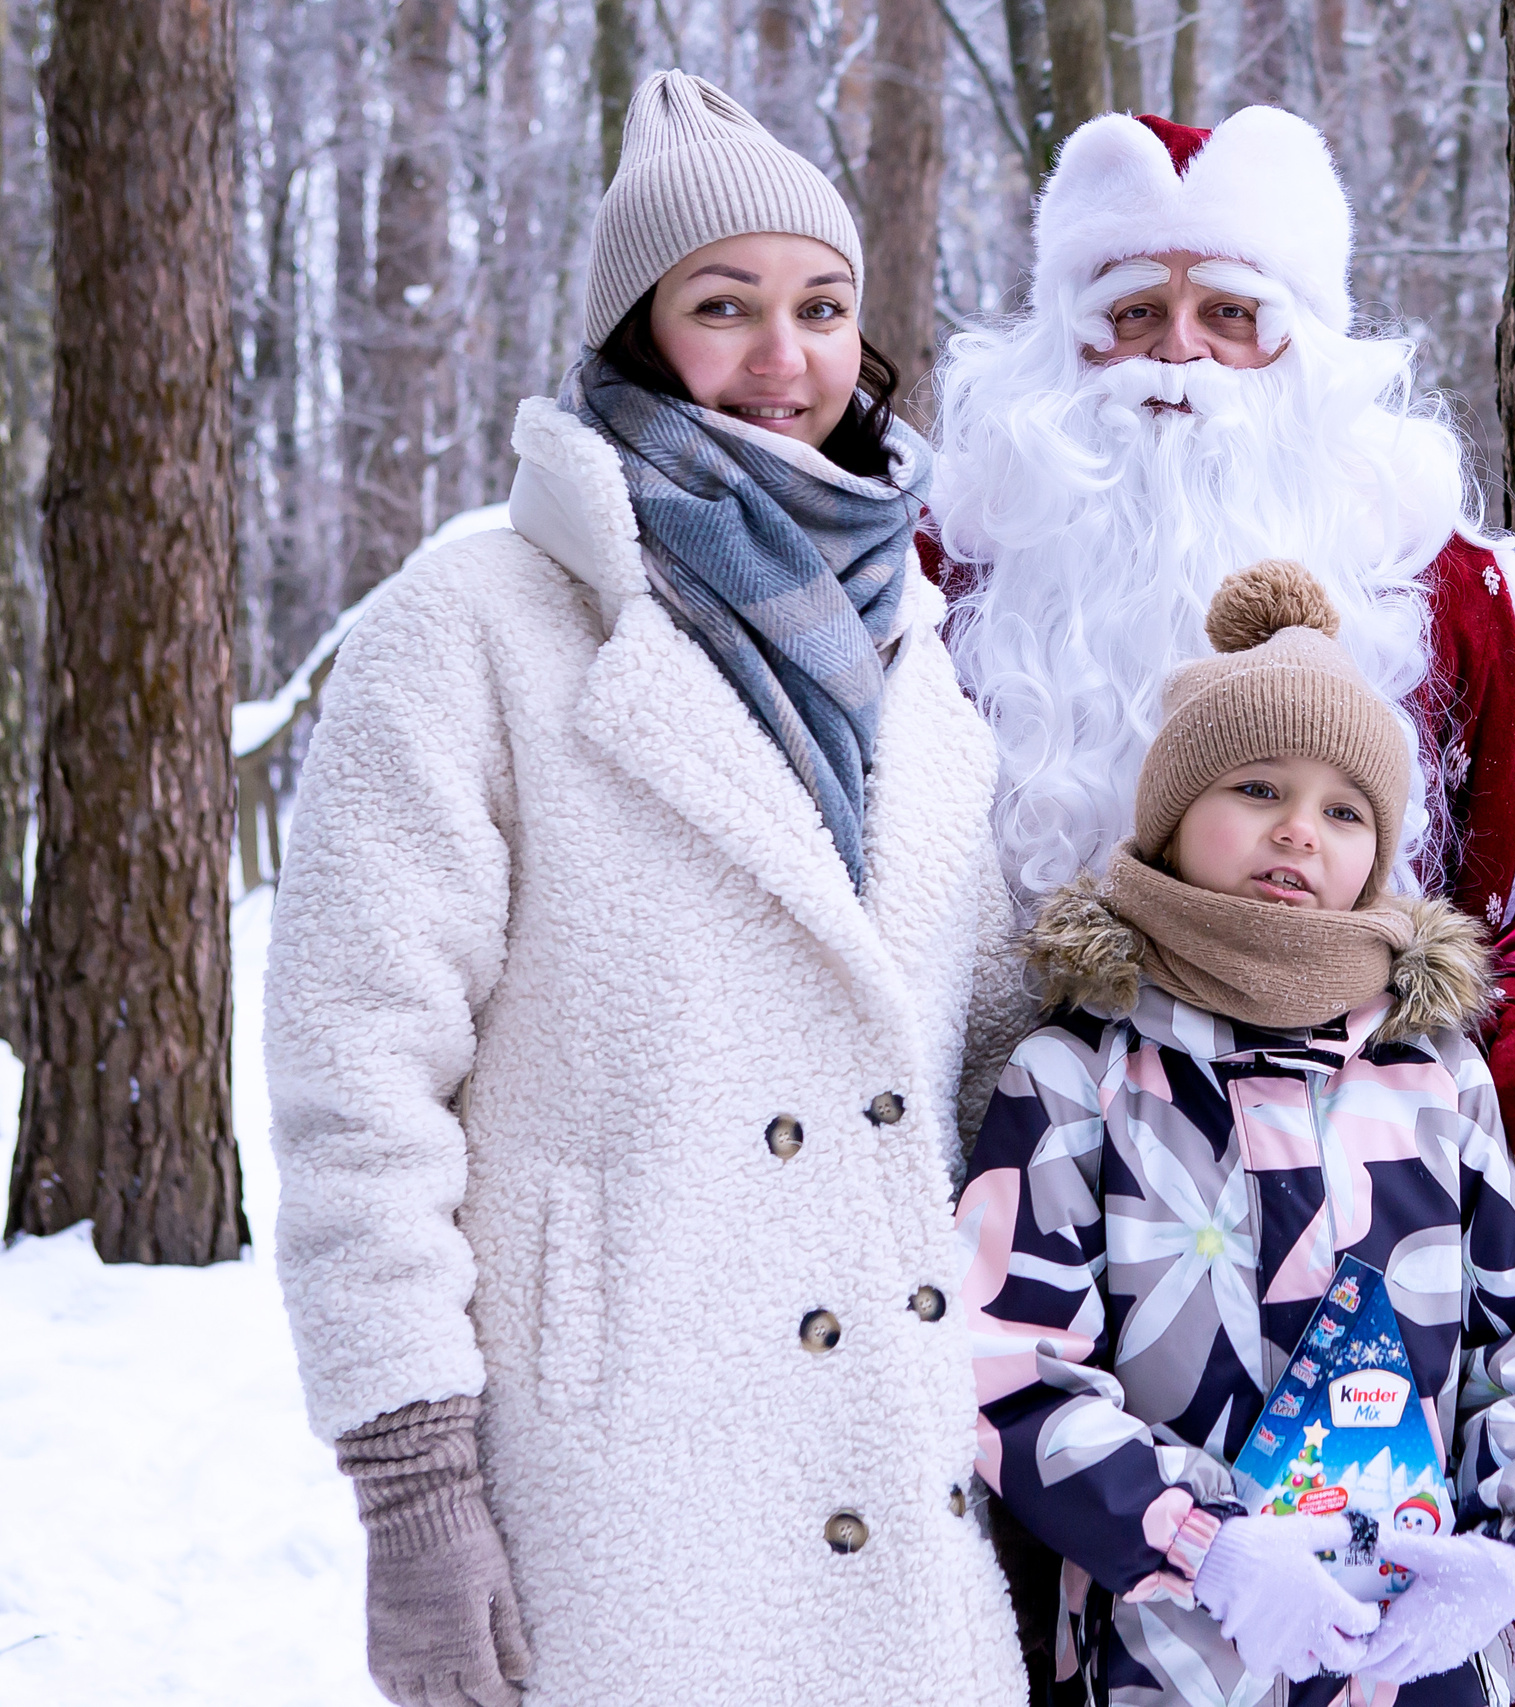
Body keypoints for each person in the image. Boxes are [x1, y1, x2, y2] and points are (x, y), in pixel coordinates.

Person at [266, 71, 1024, 1707]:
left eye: (822, 307)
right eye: (724, 306)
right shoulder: (470, 625)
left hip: (895, 1467)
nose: (785, 357)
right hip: (619, 1481)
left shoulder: (920, 656)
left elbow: (988, 1035)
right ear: (634, 335)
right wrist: (415, 1488)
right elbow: (355, 1076)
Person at [926, 106, 1515, 1239]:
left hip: (1382, 1203)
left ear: (1303, 341)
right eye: (1132, 313)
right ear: (1065, 340)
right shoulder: (942, 584)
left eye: (1228, 313)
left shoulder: (1445, 588)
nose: (1178, 353)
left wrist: (1500, 1114)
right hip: (1014, 1197)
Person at [957, 562, 1515, 1707]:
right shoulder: (1076, 1082)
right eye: (1257, 787)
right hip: (1169, 1666)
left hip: (1414, 1669)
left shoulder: (1438, 1082)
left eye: (1344, 810)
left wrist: (1507, 1554)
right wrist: (1199, 1541)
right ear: (1172, 823)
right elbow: (1005, 1371)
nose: (1297, 834)